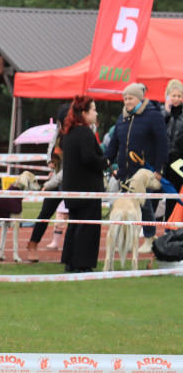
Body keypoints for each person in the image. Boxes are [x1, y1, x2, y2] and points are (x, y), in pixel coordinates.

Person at [104, 82, 170, 253]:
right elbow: (114, 144)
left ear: (139, 98)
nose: (127, 101)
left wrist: (159, 168)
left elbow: (162, 142)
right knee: (126, 206)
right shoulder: (122, 118)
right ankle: (126, 237)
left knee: (144, 205)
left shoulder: (153, 116)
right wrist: (105, 160)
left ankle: (149, 237)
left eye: (130, 98)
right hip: (125, 172)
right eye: (125, 98)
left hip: (145, 171)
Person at [60, 96, 107, 273]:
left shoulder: (69, 133)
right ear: (84, 113)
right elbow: (88, 158)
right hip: (87, 188)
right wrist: (105, 162)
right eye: (93, 109)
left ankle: (70, 261)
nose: (96, 113)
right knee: (87, 226)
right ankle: (82, 263)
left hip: (73, 187)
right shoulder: (86, 132)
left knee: (75, 224)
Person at [26, 102, 70, 261]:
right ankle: (32, 245)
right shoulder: (58, 132)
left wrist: (48, 184)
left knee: (74, 216)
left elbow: (70, 168)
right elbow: (51, 148)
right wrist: (49, 160)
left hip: (69, 180)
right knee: (45, 213)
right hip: (57, 178)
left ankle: (70, 252)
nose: (61, 125)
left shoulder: (78, 132)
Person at [162, 79, 183, 220]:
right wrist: (167, 112)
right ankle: (168, 229)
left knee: (179, 195)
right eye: (173, 96)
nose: (176, 99)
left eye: (179, 96)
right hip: (165, 161)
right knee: (167, 197)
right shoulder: (163, 114)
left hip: (179, 161)